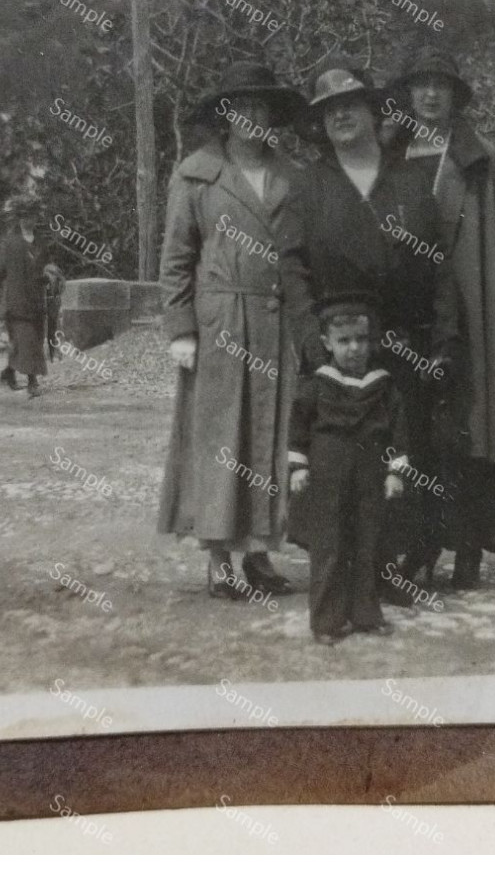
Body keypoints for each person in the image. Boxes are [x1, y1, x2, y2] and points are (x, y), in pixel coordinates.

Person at [283, 57, 457, 600]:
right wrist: (313, 342)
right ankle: (341, 566)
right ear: (320, 122)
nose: (343, 117)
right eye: (331, 110)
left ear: (371, 110)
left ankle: (393, 563)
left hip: (402, 344)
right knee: (338, 457)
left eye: (351, 105)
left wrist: (443, 341)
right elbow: (290, 268)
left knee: (402, 453)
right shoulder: (309, 187)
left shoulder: (408, 179)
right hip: (338, 347)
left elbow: (440, 268)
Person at [383, 45, 495, 590]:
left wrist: (477, 314)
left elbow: (493, 253)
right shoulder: (392, 153)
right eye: (421, 85)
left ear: (454, 95)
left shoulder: (479, 158)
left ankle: (472, 545)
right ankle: (417, 542)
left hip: (469, 307)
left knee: (473, 426)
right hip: (410, 308)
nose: (430, 95)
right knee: (414, 429)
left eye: (441, 85)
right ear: (409, 94)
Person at [157, 61, 307, 600]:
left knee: (269, 437)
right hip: (220, 322)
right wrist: (181, 329)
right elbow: (176, 259)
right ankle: (219, 558)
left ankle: (260, 554)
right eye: (241, 108)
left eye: (261, 108)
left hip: (276, 322)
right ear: (226, 115)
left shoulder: (292, 176)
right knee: (221, 437)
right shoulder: (196, 173)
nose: (251, 118)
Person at [288, 293, 409, 645]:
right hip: (328, 479)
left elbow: (398, 434)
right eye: (344, 341)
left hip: (369, 479)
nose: (354, 348)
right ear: (327, 343)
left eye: (361, 340)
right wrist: (298, 468)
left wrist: (394, 472)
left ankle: (366, 614)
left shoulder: (384, 387)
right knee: (329, 549)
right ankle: (326, 621)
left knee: (367, 546)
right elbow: (298, 431)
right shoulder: (316, 386)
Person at [0, 197, 55, 399]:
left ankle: (9, 372)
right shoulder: (10, 243)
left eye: (32, 216)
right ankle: (33, 382)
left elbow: (50, 267)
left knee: (25, 341)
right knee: (28, 341)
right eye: (24, 216)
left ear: (36, 217)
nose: (28, 221)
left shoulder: (41, 242)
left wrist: (50, 275)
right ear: (19, 218)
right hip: (16, 302)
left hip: (36, 301)